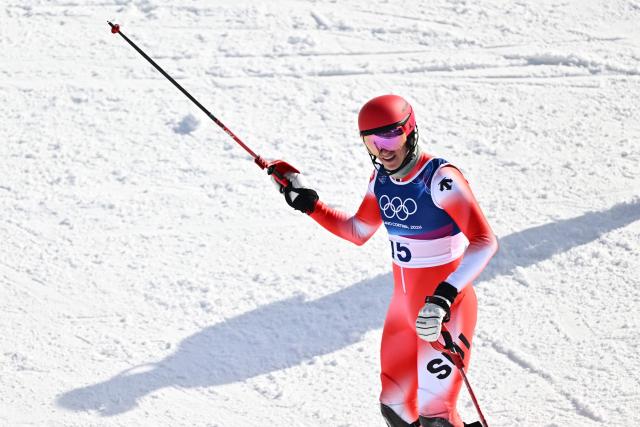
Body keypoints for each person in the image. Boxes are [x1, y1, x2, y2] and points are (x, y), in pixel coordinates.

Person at [270, 94, 498, 427]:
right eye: (373, 142)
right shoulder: (381, 181)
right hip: (403, 312)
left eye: (391, 136)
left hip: (445, 311)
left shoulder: (440, 179)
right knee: (395, 408)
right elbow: (357, 231)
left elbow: (484, 242)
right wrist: (309, 204)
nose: (383, 149)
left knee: (437, 419)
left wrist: (443, 298)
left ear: (410, 131)